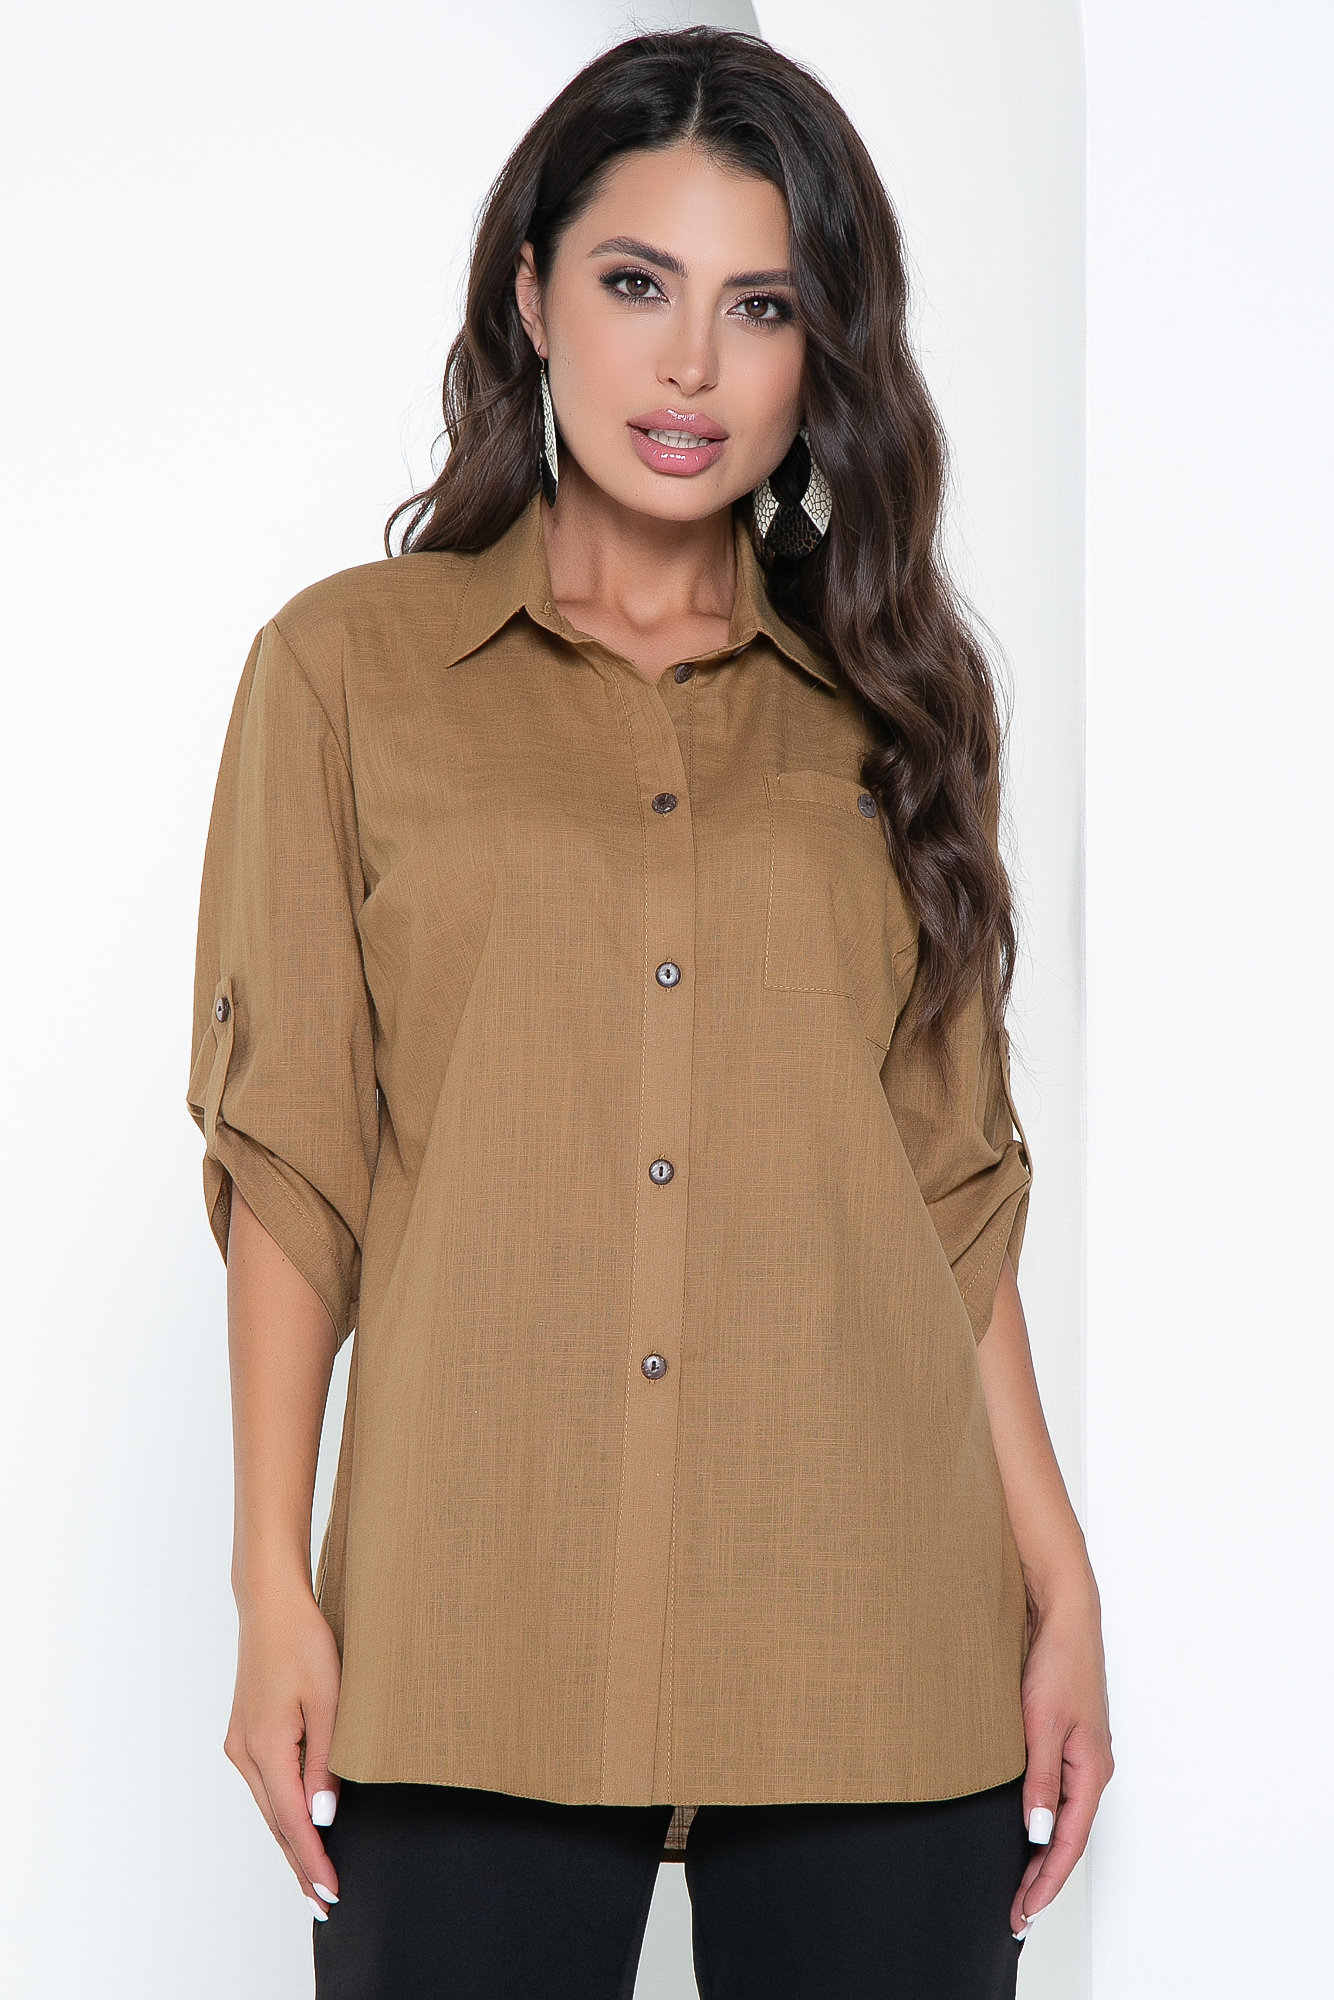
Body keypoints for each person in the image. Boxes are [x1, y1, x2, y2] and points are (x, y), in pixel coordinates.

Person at [188, 27, 1111, 1999]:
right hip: (468, 1615)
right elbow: (296, 1156)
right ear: (532, 297)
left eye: (758, 306)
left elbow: (948, 1186)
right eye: (636, 283)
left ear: (820, 351)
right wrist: (272, 1576)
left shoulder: (895, 704)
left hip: (871, 1622)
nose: (690, 366)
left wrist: (1058, 1581)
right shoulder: (344, 675)